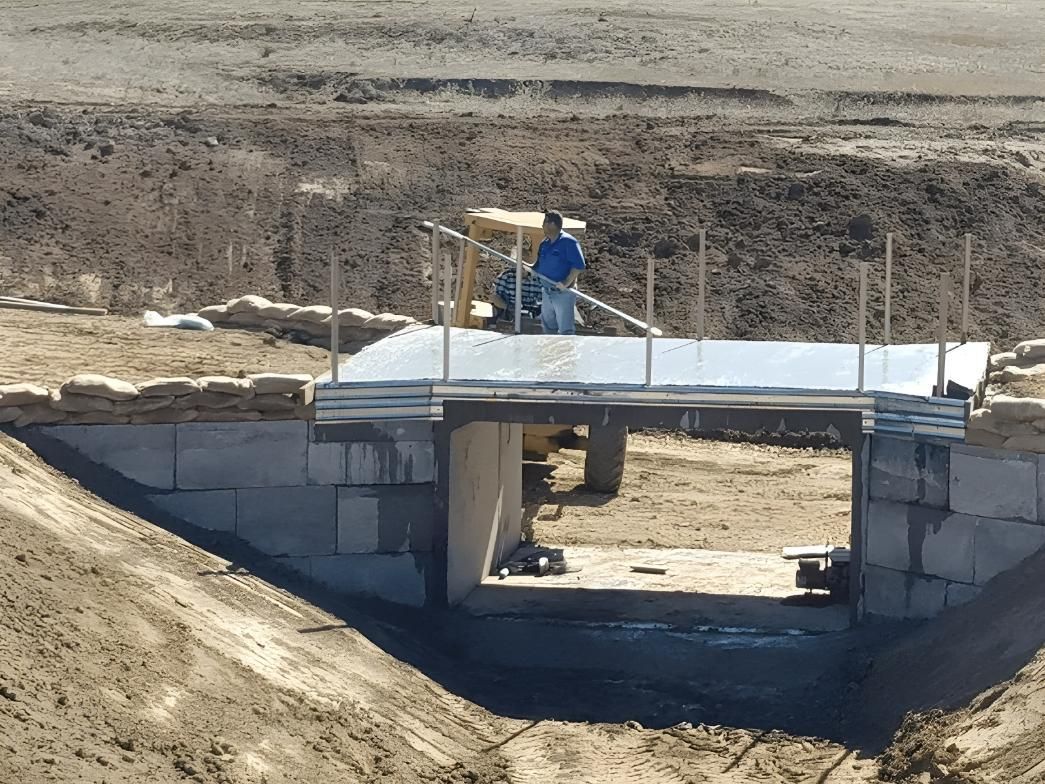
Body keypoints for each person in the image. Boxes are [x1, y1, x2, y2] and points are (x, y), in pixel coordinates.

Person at [533, 211, 585, 335]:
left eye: (544, 223)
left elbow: (579, 266)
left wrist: (566, 283)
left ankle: (565, 353)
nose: (542, 226)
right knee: (548, 326)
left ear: (552, 224)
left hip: (562, 293)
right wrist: (528, 268)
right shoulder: (544, 243)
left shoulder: (568, 242)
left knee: (565, 329)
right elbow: (539, 264)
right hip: (547, 291)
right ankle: (549, 352)